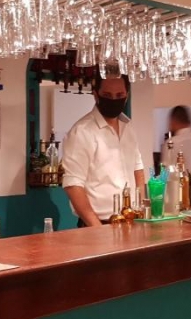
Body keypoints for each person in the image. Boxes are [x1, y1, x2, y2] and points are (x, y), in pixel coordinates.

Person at [62, 69, 145, 227]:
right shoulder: (82, 132)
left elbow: (138, 170)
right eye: (107, 95)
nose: (114, 100)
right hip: (98, 224)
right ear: (96, 95)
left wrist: (141, 212)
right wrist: (97, 228)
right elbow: (73, 185)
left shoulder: (128, 127)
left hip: (132, 221)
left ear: (126, 96)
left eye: (119, 95)